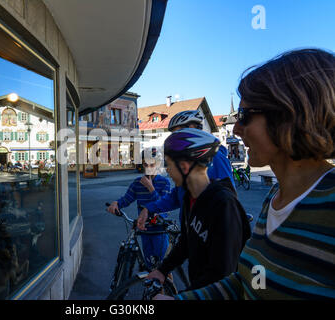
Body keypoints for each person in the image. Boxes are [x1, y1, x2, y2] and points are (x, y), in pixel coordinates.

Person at [154, 48, 335, 300]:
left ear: (289, 114)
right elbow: (246, 282)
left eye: (245, 116)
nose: (236, 129)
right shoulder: (275, 197)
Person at [143, 128, 251, 290]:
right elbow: (186, 242)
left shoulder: (223, 204)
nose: (167, 171)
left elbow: (222, 273)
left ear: (184, 166)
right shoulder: (189, 197)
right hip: (199, 288)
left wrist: (183, 297)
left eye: (169, 164)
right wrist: (162, 270)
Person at [137, 110, 236, 231]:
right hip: (189, 232)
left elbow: (228, 202)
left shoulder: (215, 158)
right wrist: (149, 208)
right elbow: (176, 196)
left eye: (178, 133)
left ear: (192, 128)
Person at [107, 148, 172, 268]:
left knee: (162, 266)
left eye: (152, 164)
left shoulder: (164, 182)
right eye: (145, 164)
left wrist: (151, 188)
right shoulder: (137, 182)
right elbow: (126, 199)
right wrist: (116, 203)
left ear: (158, 164)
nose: (148, 167)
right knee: (148, 264)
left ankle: (167, 287)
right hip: (144, 230)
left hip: (160, 230)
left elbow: (164, 206)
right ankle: (151, 286)